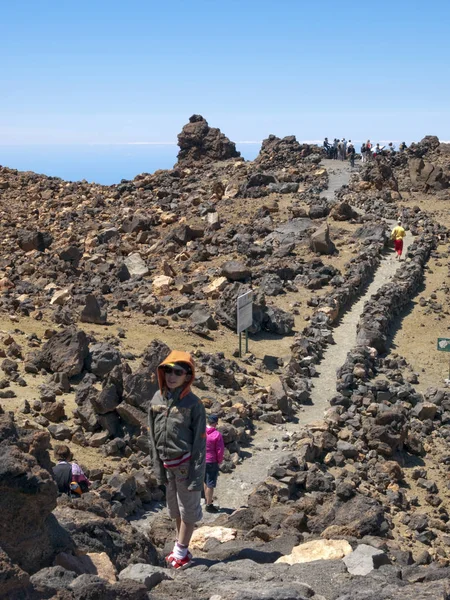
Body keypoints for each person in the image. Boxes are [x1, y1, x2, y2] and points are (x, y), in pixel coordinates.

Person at [148, 351, 206, 570]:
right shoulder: (156, 399)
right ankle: (180, 549)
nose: (172, 376)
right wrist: (157, 467)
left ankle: (180, 552)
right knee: (174, 510)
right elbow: (152, 437)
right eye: (168, 370)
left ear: (187, 375)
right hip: (166, 465)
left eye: (178, 372)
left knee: (188, 510)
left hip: (185, 466)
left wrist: (196, 475)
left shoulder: (194, 404)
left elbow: (200, 443)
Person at [204, 414, 225, 513]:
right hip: (211, 461)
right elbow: (220, 450)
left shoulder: (201, 431)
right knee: (210, 483)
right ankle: (209, 505)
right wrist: (219, 461)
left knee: (205, 481)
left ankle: (206, 499)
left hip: (201, 460)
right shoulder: (217, 434)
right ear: (216, 423)